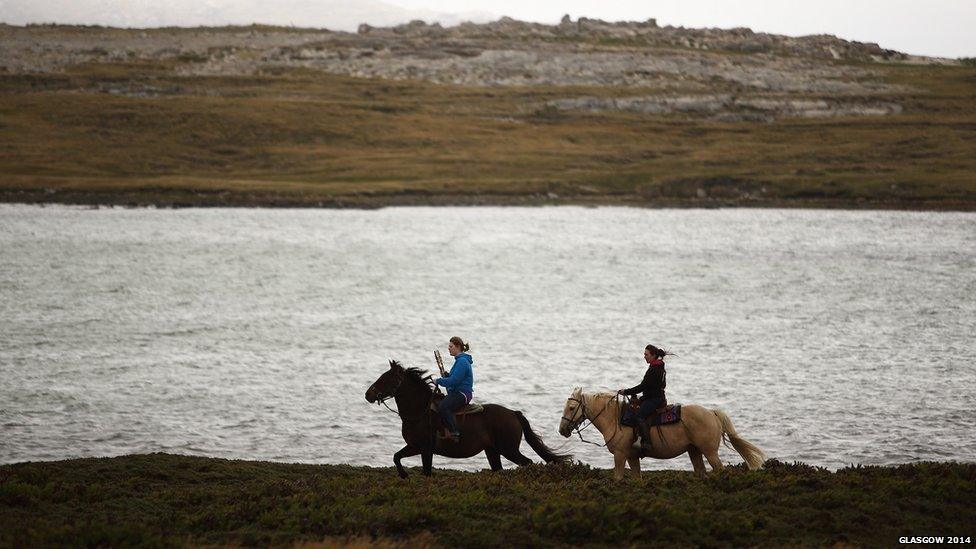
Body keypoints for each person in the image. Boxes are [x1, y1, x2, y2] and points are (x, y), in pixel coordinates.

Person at [618, 344, 669, 450]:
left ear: (653, 355)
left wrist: (626, 391)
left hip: (654, 399)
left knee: (639, 416)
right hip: (653, 396)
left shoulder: (654, 369)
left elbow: (643, 386)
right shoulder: (657, 366)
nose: (644, 356)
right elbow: (650, 386)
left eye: (646, 354)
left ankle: (646, 442)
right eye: (644, 354)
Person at [435, 336, 474, 442]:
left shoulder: (462, 361)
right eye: (449, 346)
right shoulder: (460, 361)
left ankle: (454, 431)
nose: (449, 348)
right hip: (459, 392)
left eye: (451, 346)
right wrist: (447, 376)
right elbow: (455, 379)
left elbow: (454, 381)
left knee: (443, 406)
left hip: (463, 393)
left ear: (457, 347)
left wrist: (438, 381)